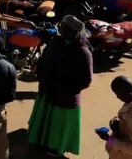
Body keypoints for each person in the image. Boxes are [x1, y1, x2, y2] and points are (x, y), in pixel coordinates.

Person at [28, 15, 93, 157]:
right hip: (47, 90)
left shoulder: (83, 52)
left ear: (73, 31)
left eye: (63, 28)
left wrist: (66, 89)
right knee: (43, 119)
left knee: (57, 126)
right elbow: (45, 57)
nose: (60, 30)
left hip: (64, 98)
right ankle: (39, 140)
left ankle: (55, 148)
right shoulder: (56, 41)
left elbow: (86, 80)